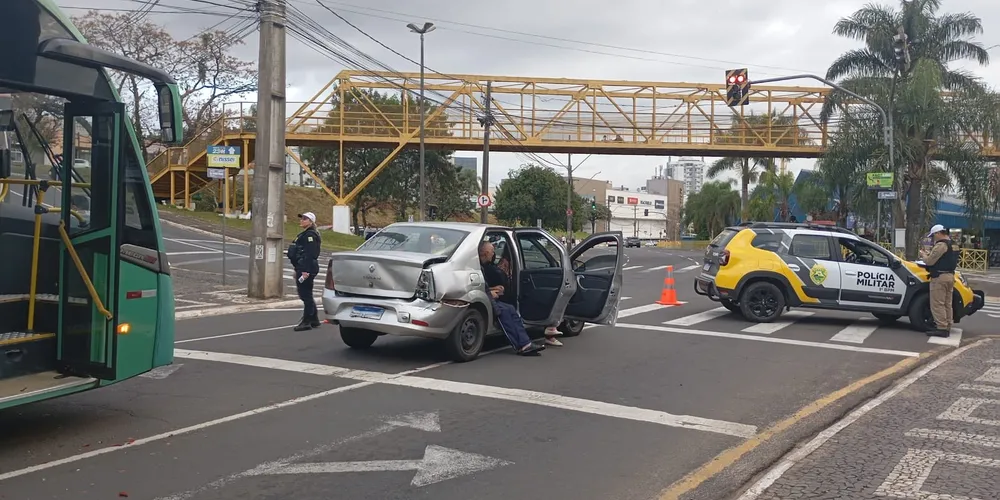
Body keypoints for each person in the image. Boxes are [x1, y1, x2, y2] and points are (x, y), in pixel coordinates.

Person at [479, 241, 544, 356]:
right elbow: (478, 287)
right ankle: (520, 345)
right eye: (492, 252)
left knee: (510, 308)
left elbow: (483, 285)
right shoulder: (477, 267)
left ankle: (526, 343)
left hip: (487, 296)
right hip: (485, 299)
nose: (494, 254)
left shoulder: (484, 266)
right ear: (486, 252)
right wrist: (491, 293)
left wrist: (493, 289)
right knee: (504, 312)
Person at [918, 224, 957, 338]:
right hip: (950, 276)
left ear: (938, 233)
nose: (933, 238)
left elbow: (929, 261)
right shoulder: (953, 244)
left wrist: (923, 255)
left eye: (933, 235)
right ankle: (948, 325)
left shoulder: (941, 245)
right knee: (947, 303)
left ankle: (941, 328)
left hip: (940, 277)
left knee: (937, 304)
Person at [288, 212, 322, 331]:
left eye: (305, 219)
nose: (302, 220)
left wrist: (305, 271)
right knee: (307, 294)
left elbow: (310, 254)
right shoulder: (305, 234)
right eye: (302, 218)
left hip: (307, 267)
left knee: (305, 295)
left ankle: (307, 321)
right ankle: (314, 319)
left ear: (311, 222)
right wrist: (297, 269)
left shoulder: (310, 236)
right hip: (302, 267)